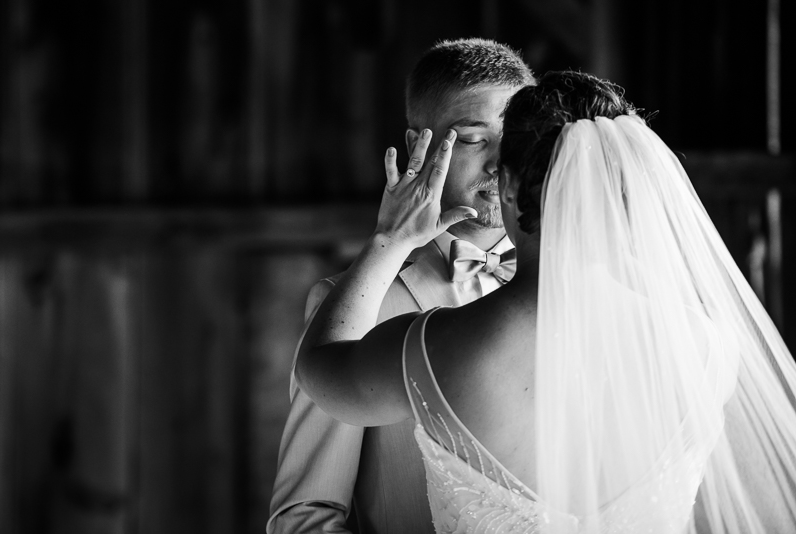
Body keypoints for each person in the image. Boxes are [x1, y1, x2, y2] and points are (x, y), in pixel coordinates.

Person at [295, 70, 796, 533]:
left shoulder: (434, 347)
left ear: (509, 187)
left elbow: (321, 369)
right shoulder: (710, 345)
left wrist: (389, 240)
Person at [267, 39, 535, 533]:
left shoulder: (580, 291)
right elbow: (304, 519)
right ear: (420, 145)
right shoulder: (355, 306)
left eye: (515, 139)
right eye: (474, 140)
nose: (501, 164)